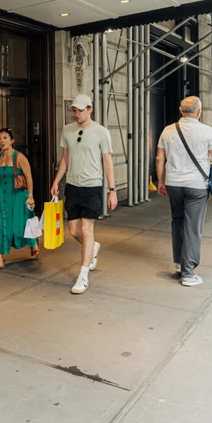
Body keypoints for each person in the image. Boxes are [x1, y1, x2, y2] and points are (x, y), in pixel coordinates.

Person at [155, 96, 212, 287]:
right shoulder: (207, 131)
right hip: (196, 186)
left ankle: (180, 263)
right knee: (193, 227)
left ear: (181, 110)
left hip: (174, 184)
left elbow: (159, 159)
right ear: (198, 112)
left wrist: (161, 181)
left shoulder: (168, 130)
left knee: (178, 222)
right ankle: (188, 273)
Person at [50, 94, 116, 295]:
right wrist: (56, 182)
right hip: (72, 186)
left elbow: (107, 162)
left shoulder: (101, 132)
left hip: (92, 187)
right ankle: (93, 247)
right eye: (74, 110)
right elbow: (65, 159)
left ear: (90, 109)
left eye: (80, 110)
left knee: (87, 230)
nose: (76, 114)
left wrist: (112, 190)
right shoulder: (68, 131)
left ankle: (83, 275)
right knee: (74, 232)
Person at [0, 128, 38, 272]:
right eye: (0, 138)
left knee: (20, 227)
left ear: (12, 140)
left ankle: (33, 244)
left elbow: (29, 177)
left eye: (5, 138)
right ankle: (0, 260)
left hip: (18, 195)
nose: (2, 141)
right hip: (1, 197)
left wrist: (30, 196)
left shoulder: (19, 157)